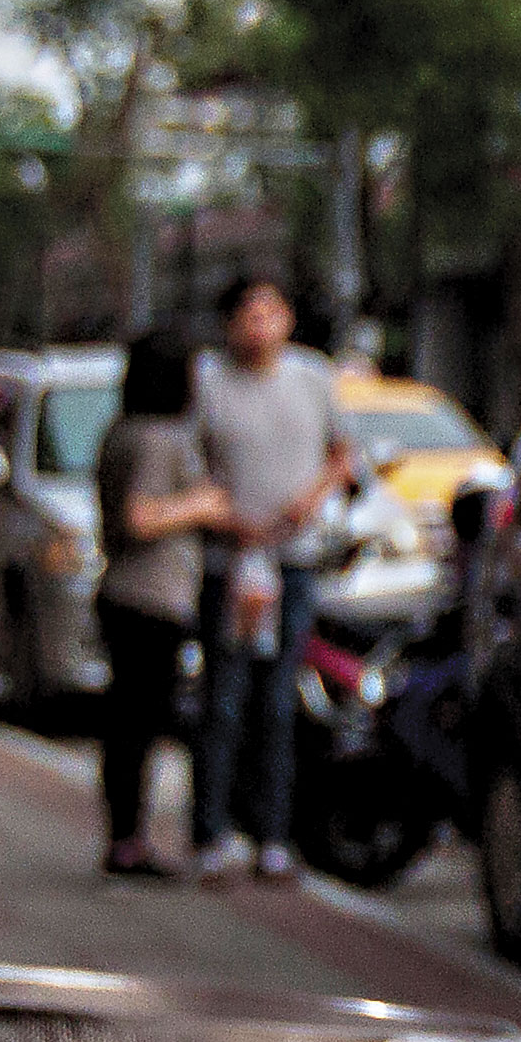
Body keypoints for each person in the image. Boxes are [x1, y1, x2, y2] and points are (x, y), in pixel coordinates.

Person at [189, 275, 359, 882]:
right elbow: (190, 465)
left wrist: (309, 500)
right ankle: (211, 833)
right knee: (223, 698)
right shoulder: (207, 382)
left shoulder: (313, 377)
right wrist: (228, 518)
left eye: (272, 310)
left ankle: (274, 836)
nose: (261, 323)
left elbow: (344, 456)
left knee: (279, 701)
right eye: (249, 312)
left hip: (293, 560)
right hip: (229, 563)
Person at [87, 332, 225, 878]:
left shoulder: (121, 431)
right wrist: (203, 503)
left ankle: (125, 836)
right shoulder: (157, 438)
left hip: (123, 592)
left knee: (127, 722)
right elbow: (140, 517)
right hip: (151, 596)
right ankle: (129, 841)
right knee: (139, 725)